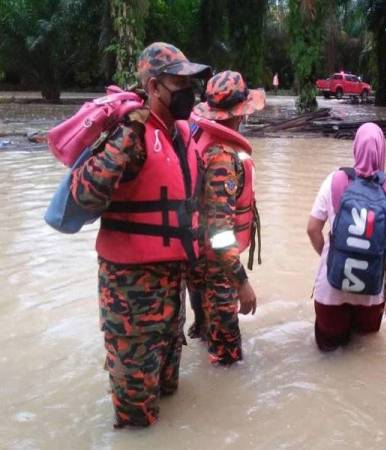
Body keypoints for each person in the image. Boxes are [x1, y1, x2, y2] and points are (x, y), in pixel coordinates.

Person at [70, 42, 210, 428]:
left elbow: (196, 219)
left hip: (171, 301)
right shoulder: (129, 135)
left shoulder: (182, 135)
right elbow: (83, 194)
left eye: (190, 81)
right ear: (153, 86)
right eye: (179, 81)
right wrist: (127, 133)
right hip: (131, 304)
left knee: (169, 395)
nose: (189, 90)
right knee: (136, 421)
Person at [187, 70, 264, 365]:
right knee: (228, 360)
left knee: (207, 336)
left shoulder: (202, 138)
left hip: (199, 264)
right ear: (240, 114)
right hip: (216, 269)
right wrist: (241, 282)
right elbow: (220, 233)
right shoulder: (221, 157)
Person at [306, 122, 386, 351]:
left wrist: (331, 257)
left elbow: (312, 229)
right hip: (370, 292)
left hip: (331, 290)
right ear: (382, 150)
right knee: (365, 354)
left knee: (328, 358)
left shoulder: (334, 181)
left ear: (355, 148)